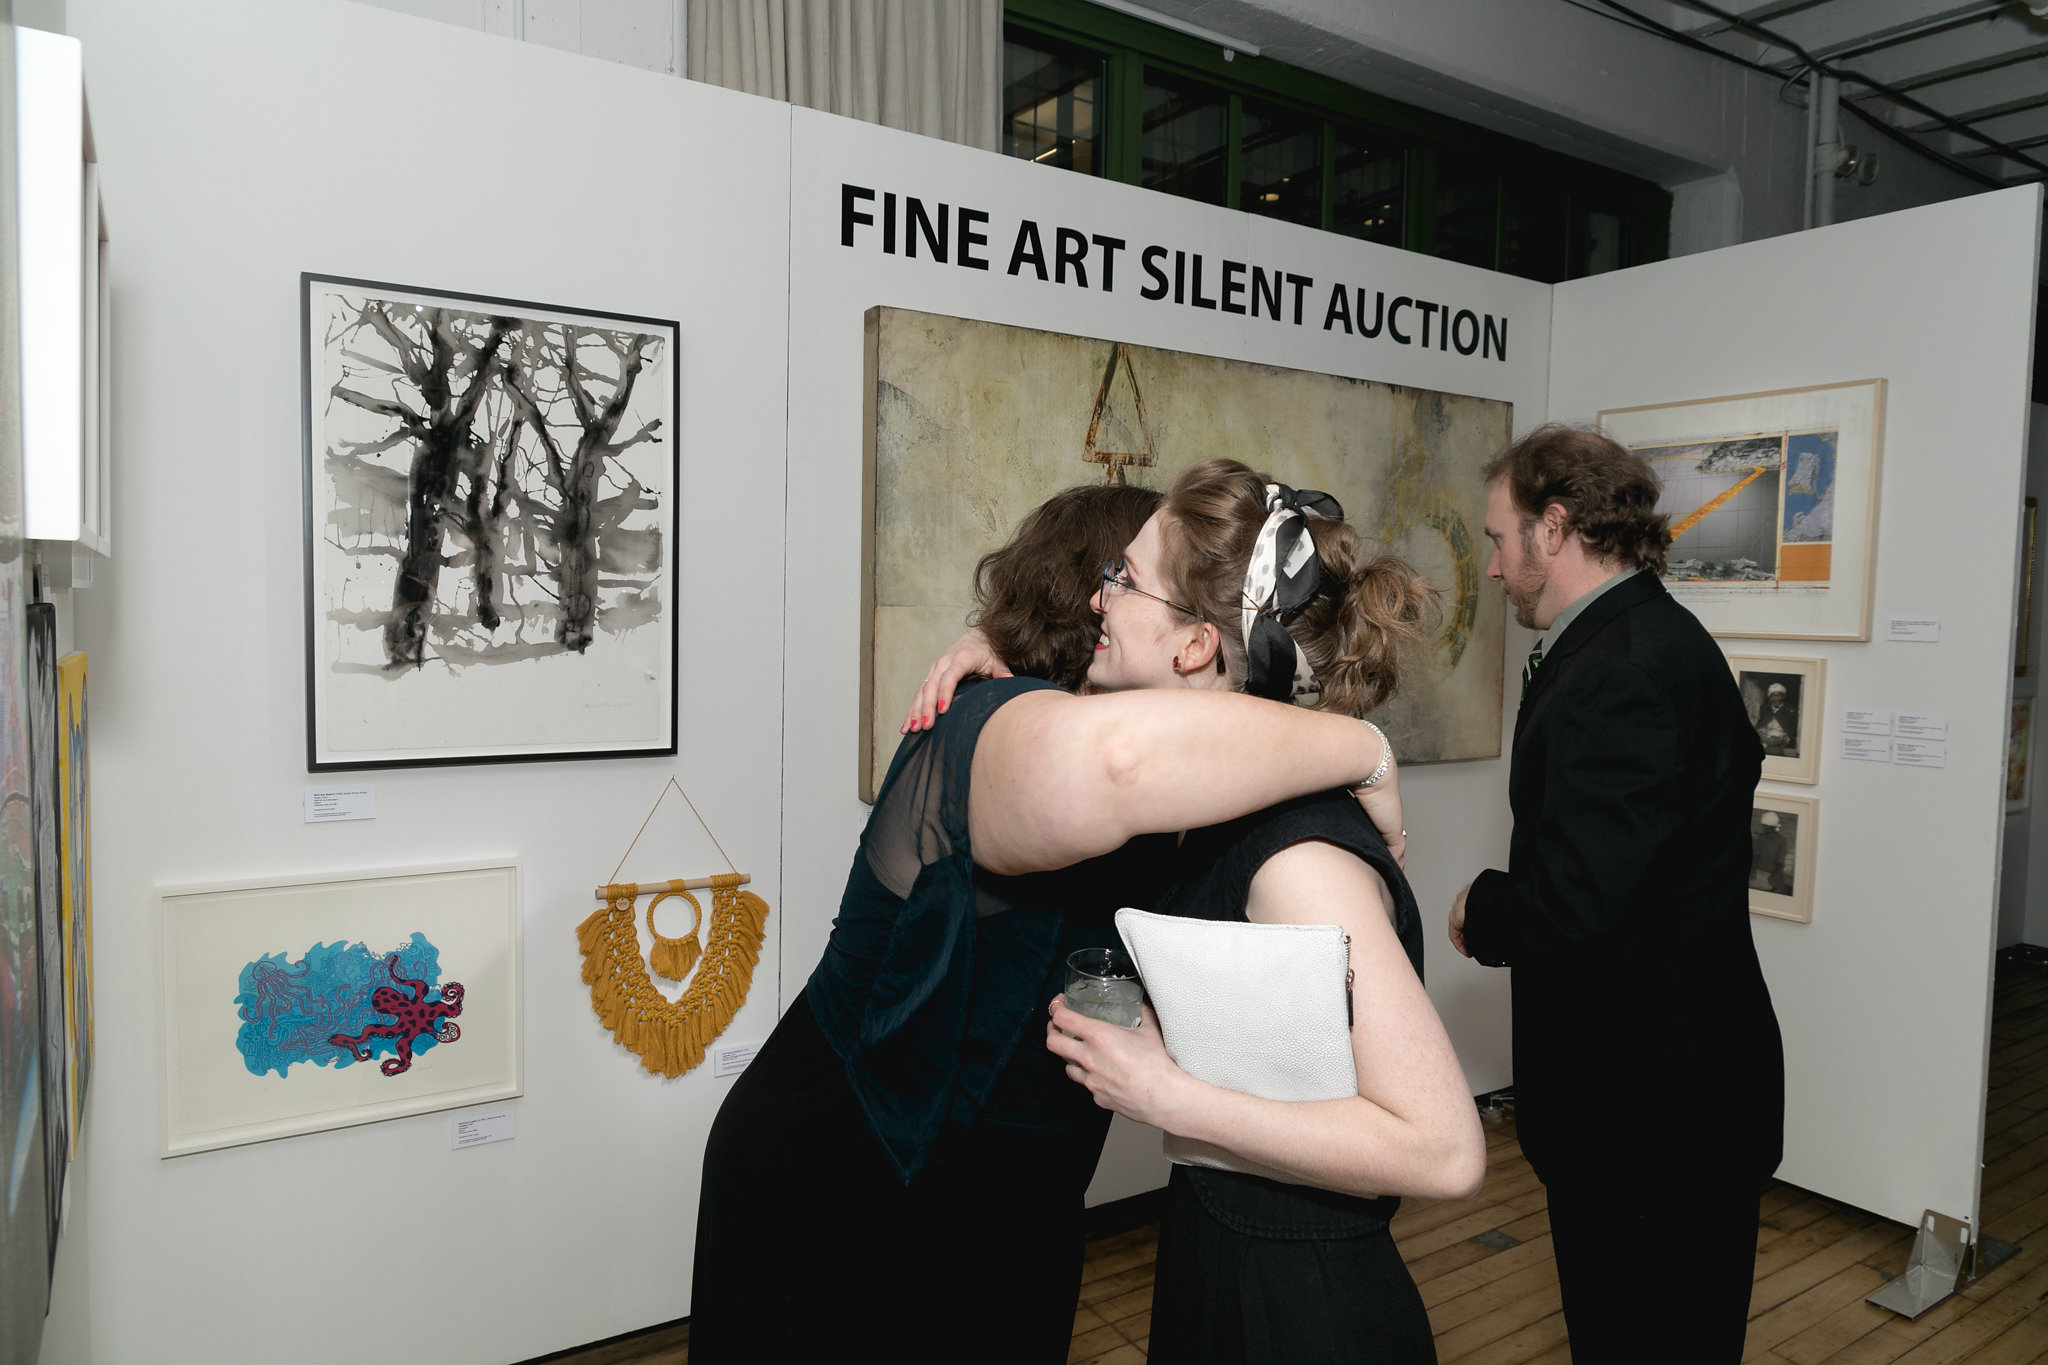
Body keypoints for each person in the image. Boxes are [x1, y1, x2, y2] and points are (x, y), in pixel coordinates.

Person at [689, 484, 1410, 1364]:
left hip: (1012, 1198)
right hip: (848, 1170)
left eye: (1129, 580)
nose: (1111, 593)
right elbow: (1117, 759)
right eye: (1106, 576)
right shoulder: (991, 721)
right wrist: (1365, 750)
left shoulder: (1190, 783)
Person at [1044, 459, 1486, 1365]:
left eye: (1120, 579)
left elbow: (1445, 1150)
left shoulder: (1298, 858)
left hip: (1305, 1307)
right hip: (1221, 1255)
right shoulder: (1215, 807)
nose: (1098, 599)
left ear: (1195, 647)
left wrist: (1170, 1092)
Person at [1448, 424, 1784, 1364]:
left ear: (1554, 528)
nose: (1494, 563)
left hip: (1649, 1122)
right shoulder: (1647, 635)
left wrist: (1485, 906)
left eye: (1499, 536)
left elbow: (1581, 910)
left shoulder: (1620, 672)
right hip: (1675, 1106)